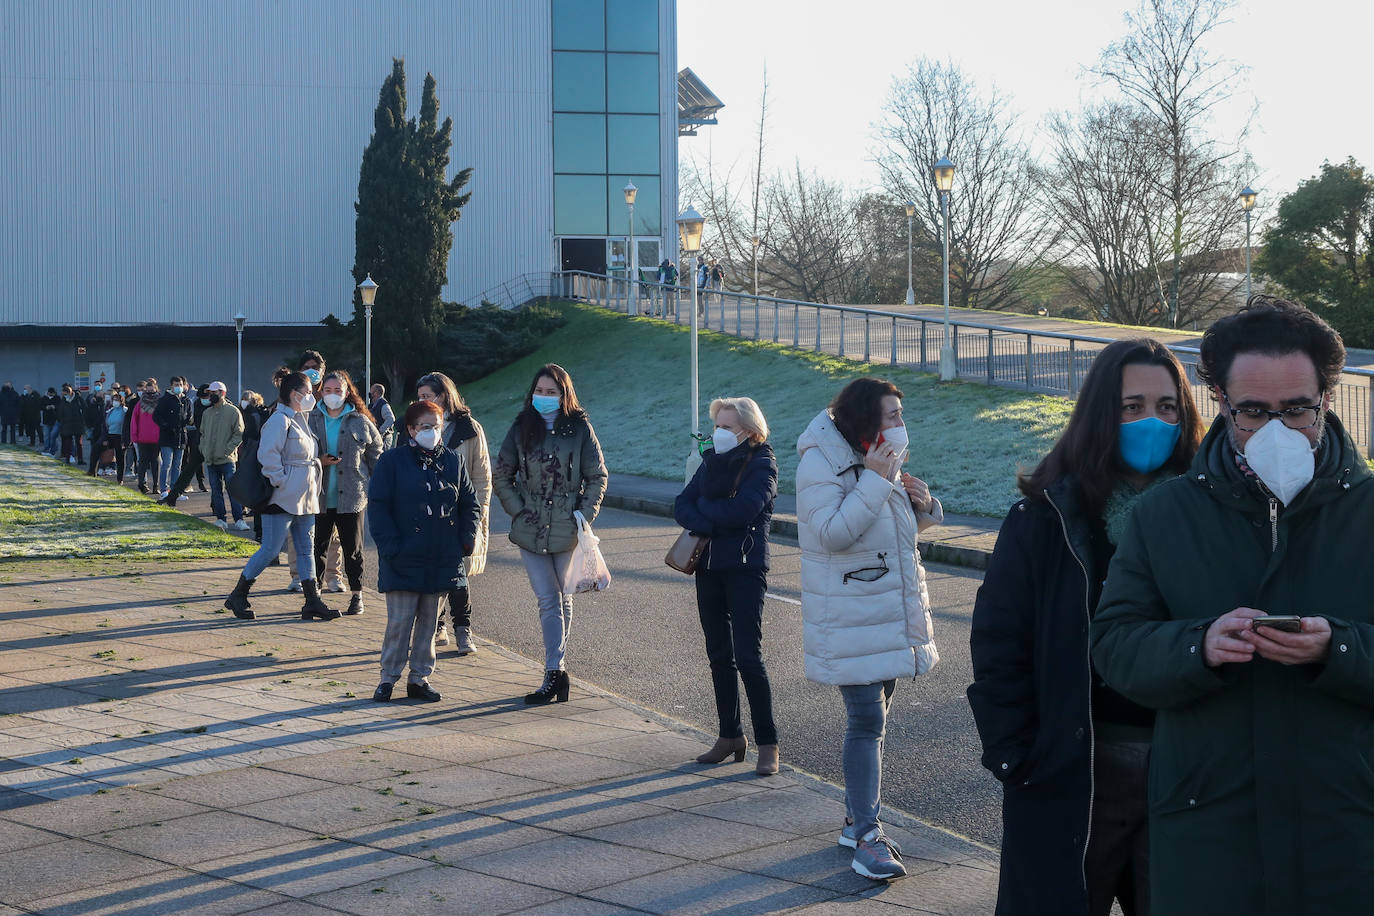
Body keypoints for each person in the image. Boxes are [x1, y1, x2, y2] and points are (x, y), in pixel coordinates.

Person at [1090, 297, 1374, 916]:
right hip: (1209, 828)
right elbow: (1114, 645)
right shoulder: (1165, 514)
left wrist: (1341, 647)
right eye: (1253, 411)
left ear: (1327, 398)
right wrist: (1199, 645)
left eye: (1297, 408)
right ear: (1220, 399)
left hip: (1348, 826)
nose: (1277, 429)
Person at [968, 339, 1206, 916]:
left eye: (1168, 407)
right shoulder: (1046, 517)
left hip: (1188, 771)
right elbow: (1000, 643)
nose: (1152, 421)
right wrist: (1016, 758)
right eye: (1132, 407)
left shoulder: (1212, 514)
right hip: (1076, 769)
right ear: (1101, 412)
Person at [795, 376, 943, 882]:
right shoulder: (821, 461)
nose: (901, 424)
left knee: (877, 716)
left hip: (887, 612)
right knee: (867, 721)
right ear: (865, 418)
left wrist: (921, 505)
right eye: (893, 415)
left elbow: (886, 533)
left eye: (901, 415)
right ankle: (867, 836)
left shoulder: (876, 458)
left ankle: (855, 816)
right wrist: (877, 483)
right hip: (849, 616)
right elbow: (833, 533)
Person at [674, 396, 780, 775]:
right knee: (719, 654)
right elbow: (681, 504)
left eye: (726, 427)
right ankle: (729, 735)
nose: (718, 434)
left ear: (749, 431)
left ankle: (768, 743)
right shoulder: (711, 464)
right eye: (716, 426)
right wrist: (706, 517)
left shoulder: (764, 464)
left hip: (746, 568)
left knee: (749, 657)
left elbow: (743, 512)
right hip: (709, 567)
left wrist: (703, 516)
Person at [493, 363, 608, 704]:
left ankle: (554, 670)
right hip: (529, 528)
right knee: (548, 598)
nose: (544, 397)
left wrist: (583, 516)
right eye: (539, 391)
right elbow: (503, 474)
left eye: (551, 392)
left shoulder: (580, 429)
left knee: (564, 597)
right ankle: (555, 672)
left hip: (567, 528)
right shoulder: (520, 428)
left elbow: (597, 476)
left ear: (564, 395)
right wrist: (518, 509)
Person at [367, 400, 480, 703]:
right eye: (424, 427)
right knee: (400, 622)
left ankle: (420, 678)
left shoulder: (453, 461)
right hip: (403, 557)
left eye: (436, 426)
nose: (431, 432)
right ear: (411, 430)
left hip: (442, 557)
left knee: (429, 624)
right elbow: (378, 508)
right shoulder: (392, 462)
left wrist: (465, 540)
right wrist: (391, 547)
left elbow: (470, 503)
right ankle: (388, 678)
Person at [222, 371, 339, 622]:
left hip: (304, 497)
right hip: (281, 497)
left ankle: (312, 601)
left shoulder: (300, 419)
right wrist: (282, 482)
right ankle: (238, 594)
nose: (312, 396)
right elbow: (268, 456)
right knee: (270, 548)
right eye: (308, 392)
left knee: (307, 550)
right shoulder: (279, 420)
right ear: (294, 394)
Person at [416, 371, 491, 654]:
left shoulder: (469, 429)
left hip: (459, 513)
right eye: (420, 397)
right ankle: (437, 626)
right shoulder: (414, 425)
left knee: (457, 575)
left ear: (444, 396)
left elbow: (482, 476)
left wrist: (478, 513)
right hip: (425, 513)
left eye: (428, 396)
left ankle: (463, 629)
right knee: (430, 573)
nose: (423, 401)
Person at [308, 369, 384, 616]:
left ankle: (357, 594)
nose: (332, 395)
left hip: (352, 496)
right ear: (321, 392)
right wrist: (318, 460)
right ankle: (314, 596)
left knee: (353, 548)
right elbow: (299, 452)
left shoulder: (360, 420)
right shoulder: (311, 419)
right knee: (317, 546)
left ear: (347, 392)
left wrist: (376, 486)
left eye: (337, 391)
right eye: (327, 391)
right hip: (318, 496)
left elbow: (376, 453)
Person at [199, 381, 250, 531]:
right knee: (216, 491)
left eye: (214, 393)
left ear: (222, 393)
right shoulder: (206, 413)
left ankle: (239, 519)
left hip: (227, 459)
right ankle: (221, 519)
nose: (211, 395)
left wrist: (227, 450)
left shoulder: (233, 411)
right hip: (210, 459)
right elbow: (202, 434)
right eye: (210, 393)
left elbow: (239, 433)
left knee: (233, 490)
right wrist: (204, 449)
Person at [153, 375, 191, 499]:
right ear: (171, 386)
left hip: (181, 437)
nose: (178, 387)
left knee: (177, 465)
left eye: (180, 385)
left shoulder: (186, 400)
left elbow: (189, 416)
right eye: (176, 385)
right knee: (167, 464)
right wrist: (165, 426)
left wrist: (187, 421)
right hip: (167, 437)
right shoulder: (165, 400)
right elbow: (156, 416)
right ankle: (164, 489)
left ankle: (175, 490)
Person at [86, 390, 128, 482]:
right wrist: (104, 438)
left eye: (117, 400)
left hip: (120, 437)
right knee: (96, 448)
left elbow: (126, 426)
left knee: (120, 458)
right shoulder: (110, 410)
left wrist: (125, 441)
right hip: (109, 435)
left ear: (121, 401)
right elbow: (105, 426)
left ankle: (120, 479)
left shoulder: (125, 411)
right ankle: (92, 471)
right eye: (113, 400)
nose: (114, 402)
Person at [129, 380, 162, 494]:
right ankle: (142, 484)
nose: (149, 393)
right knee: (143, 462)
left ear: (156, 389)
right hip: (143, 438)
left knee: (155, 463)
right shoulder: (139, 404)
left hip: (156, 438)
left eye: (152, 390)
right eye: (147, 391)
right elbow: (134, 421)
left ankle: (155, 486)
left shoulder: (160, 403)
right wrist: (134, 436)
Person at [57, 383, 86, 464]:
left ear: (70, 392)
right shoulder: (63, 400)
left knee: (79, 443)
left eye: (65, 394)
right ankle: (68, 459)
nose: (64, 395)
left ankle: (80, 459)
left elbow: (85, 409)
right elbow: (60, 411)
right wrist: (61, 422)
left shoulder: (78, 399)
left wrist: (82, 420)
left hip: (78, 424)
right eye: (63, 394)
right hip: (67, 424)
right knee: (68, 443)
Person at [369, 383, 396, 448]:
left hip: (384, 438)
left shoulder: (383, 405)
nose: (370, 393)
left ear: (376, 393)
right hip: (376, 438)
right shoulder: (372, 405)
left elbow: (390, 419)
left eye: (371, 391)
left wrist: (380, 431)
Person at [40, 387, 61, 456]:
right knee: (46, 436)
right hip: (46, 420)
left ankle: (53, 448)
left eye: (53, 394)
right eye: (50, 393)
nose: (51, 395)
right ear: (48, 392)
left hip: (55, 420)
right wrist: (46, 407)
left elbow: (60, 406)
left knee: (53, 436)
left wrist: (54, 407)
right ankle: (46, 448)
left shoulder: (57, 398)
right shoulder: (44, 398)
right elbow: (41, 406)